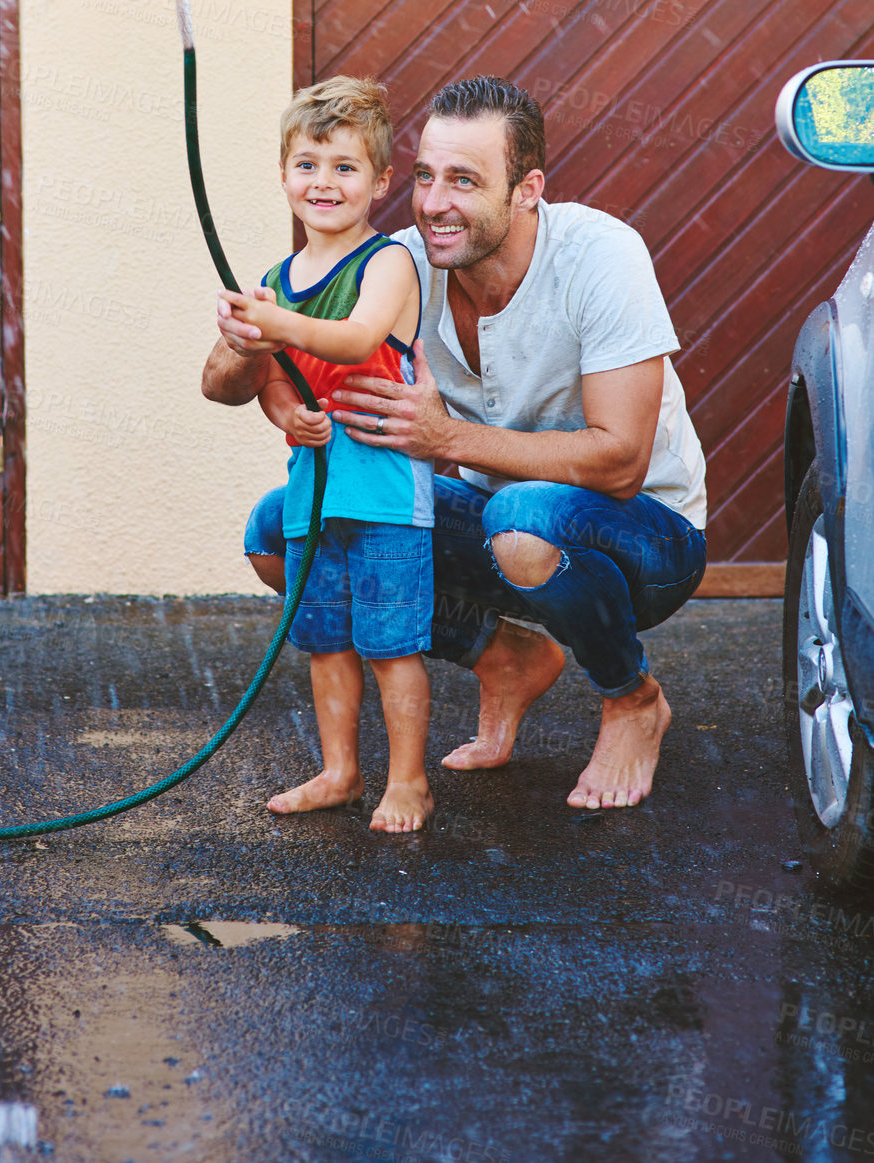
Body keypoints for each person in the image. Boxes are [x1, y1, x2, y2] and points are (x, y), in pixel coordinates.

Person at [203, 74, 707, 812]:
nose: (434, 203)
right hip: (490, 516)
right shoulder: (399, 262)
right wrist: (247, 338)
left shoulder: (601, 255)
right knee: (279, 532)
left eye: (464, 180)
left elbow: (621, 461)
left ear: (527, 188)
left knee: (523, 521)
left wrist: (446, 435)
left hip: (645, 540)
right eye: (425, 176)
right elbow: (225, 383)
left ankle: (630, 697)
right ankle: (502, 656)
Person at [220, 75, 435, 834]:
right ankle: (340, 770)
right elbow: (272, 385)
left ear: (379, 182)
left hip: (382, 493)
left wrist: (275, 322)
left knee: (389, 646)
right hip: (314, 492)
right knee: (324, 641)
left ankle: (408, 780)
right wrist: (285, 406)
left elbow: (355, 339)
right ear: (283, 175)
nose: (323, 182)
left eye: (345, 167)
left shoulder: (387, 265)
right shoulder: (275, 283)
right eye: (307, 164)